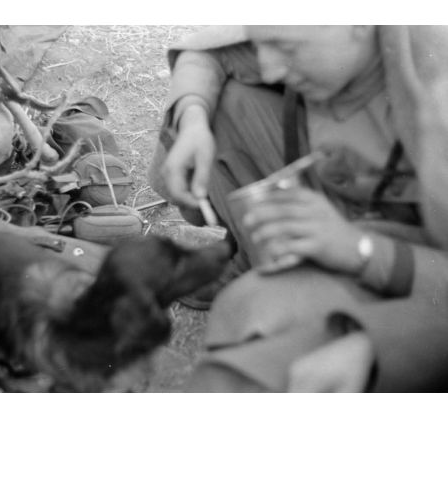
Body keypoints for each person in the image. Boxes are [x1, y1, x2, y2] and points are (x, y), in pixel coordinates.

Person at [148, 25, 448, 392]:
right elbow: (210, 54)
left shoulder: (437, 90)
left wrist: (360, 255)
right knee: (232, 100)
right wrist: (192, 118)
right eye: (262, 46)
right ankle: (255, 261)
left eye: (284, 48)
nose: (270, 68)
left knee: (254, 312)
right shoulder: (324, 35)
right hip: (353, 200)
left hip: (418, 258)